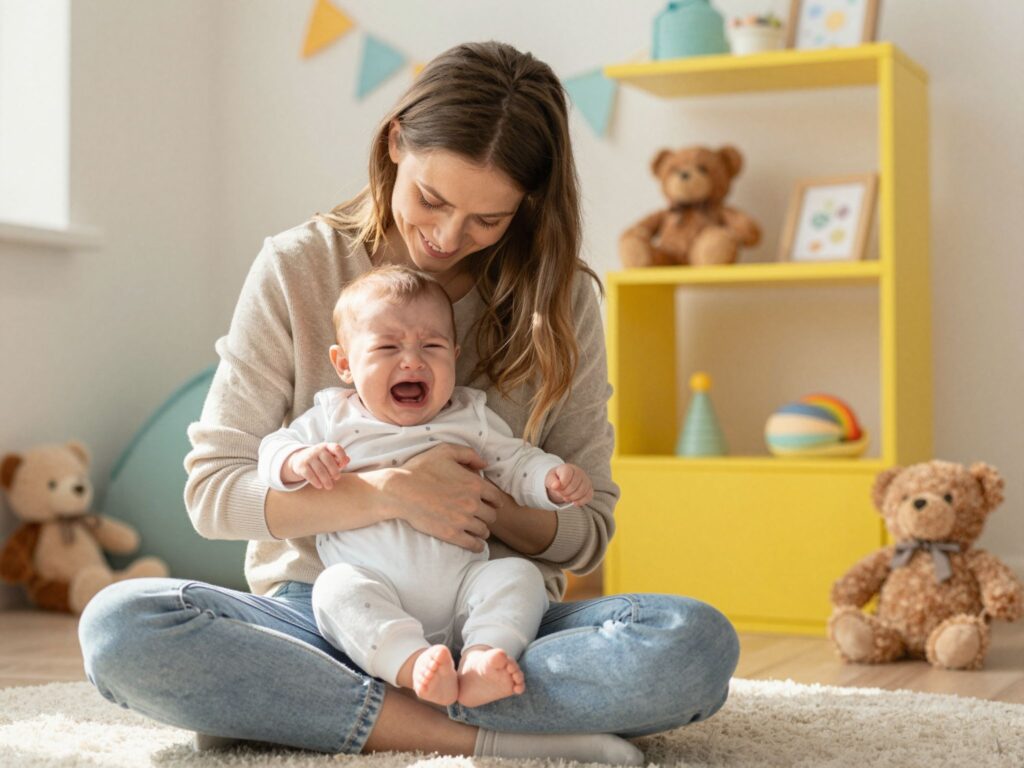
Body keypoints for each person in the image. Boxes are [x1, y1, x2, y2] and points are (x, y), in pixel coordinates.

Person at [78, 41, 739, 764]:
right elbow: (213, 494)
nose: (449, 238)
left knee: (692, 644)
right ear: (396, 142)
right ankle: (470, 733)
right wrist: (392, 493)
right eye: (433, 199)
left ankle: (303, 708)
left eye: (489, 219)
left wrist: (483, 505)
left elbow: (588, 530)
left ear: (528, 206)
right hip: (327, 613)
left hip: (498, 621)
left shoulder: (563, 299)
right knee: (122, 627)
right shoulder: (299, 268)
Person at [258, 265, 594, 709]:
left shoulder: (469, 417)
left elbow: (516, 462)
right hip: (374, 587)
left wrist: (551, 480)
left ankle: (482, 658)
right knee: (335, 590)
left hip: (463, 592)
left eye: (431, 346)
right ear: (344, 364)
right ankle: (413, 665)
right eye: (387, 347)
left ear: (454, 355)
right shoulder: (332, 420)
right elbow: (273, 448)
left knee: (518, 577)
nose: (412, 361)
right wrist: (297, 461)